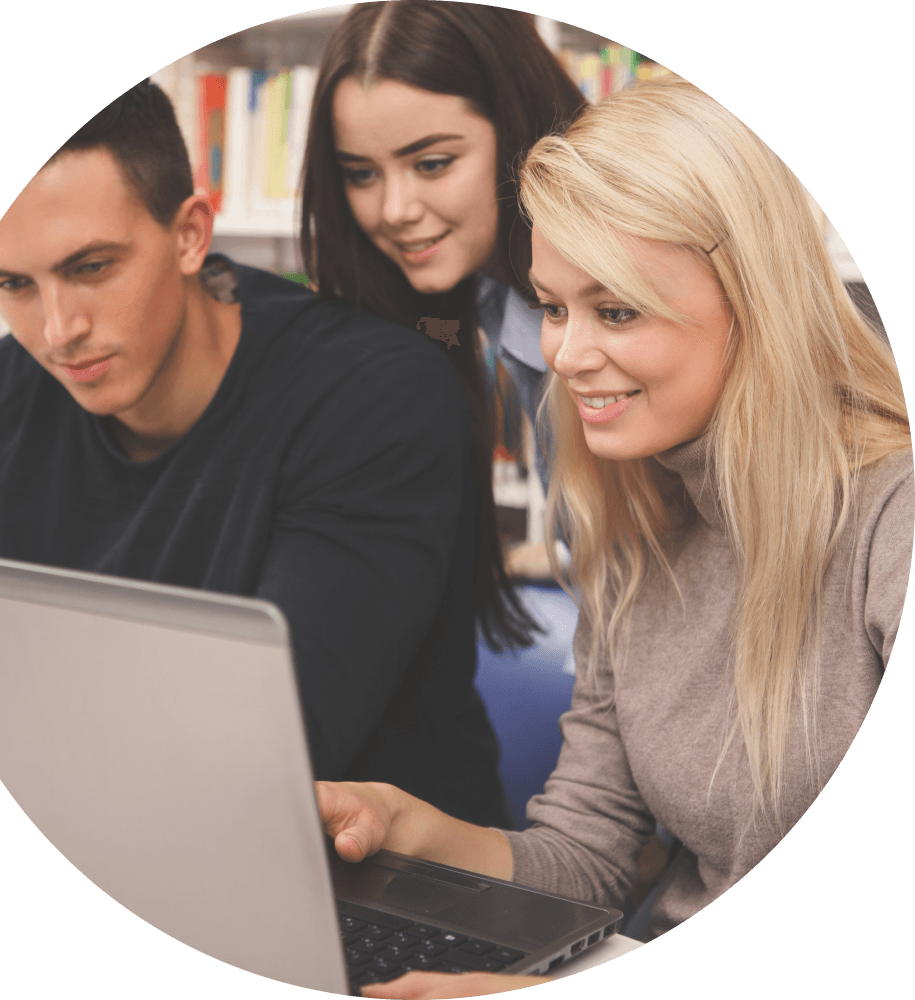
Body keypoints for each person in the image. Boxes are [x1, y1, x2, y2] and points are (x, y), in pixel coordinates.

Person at [316, 77, 913, 998]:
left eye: (617, 311)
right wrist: (410, 830)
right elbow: (587, 857)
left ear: (754, 304)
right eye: (554, 307)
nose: (565, 353)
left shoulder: (892, 514)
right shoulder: (636, 519)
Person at [0, 80, 514, 828]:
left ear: (192, 234)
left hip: (372, 885)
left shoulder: (373, 397)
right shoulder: (2, 389)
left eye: (92, 266)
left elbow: (270, 749)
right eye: (14, 284)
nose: (59, 330)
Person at [300, 0, 588, 590]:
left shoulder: (627, 289)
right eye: (361, 173)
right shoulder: (485, 300)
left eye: (432, 164)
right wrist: (579, 561)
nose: (395, 211)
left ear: (517, 126)